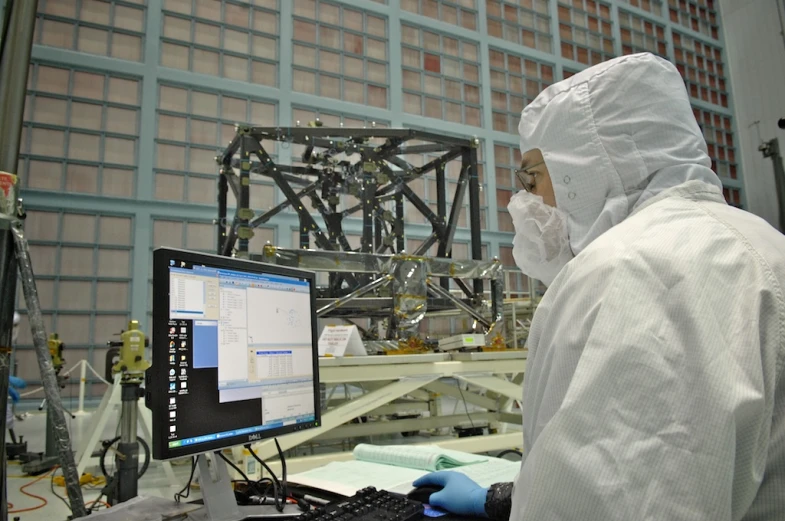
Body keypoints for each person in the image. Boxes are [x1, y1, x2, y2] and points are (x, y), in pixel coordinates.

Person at [414, 52, 785, 520]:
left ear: (585, 167)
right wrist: (502, 501)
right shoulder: (764, 243)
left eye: (533, 175)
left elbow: (620, 502)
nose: (529, 198)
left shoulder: (629, 271)